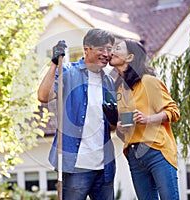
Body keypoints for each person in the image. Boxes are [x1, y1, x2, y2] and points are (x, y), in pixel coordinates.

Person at [38, 28, 116, 200]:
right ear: (86, 49)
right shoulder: (68, 72)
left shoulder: (109, 82)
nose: (106, 54)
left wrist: (115, 117)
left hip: (104, 168)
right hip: (76, 167)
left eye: (109, 50)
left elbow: (111, 125)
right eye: (101, 49)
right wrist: (53, 64)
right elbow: (43, 96)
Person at [108, 39, 180, 200]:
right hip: (134, 155)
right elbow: (121, 128)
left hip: (156, 150)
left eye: (118, 48)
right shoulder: (118, 89)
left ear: (130, 57)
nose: (112, 51)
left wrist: (149, 119)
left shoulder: (149, 82)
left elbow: (174, 111)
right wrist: (120, 127)